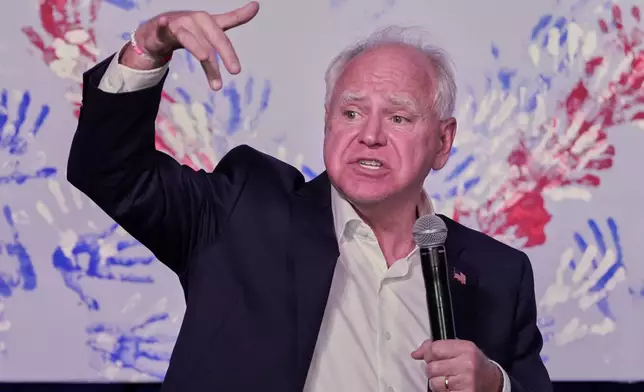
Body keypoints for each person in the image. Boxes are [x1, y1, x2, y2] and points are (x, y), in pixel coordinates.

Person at [67, 2, 552, 391]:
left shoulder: (497, 274)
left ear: (443, 142)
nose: (371, 135)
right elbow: (110, 172)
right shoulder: (242, 210)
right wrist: (147, 50)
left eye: (399, 118)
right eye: (351, 113)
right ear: (327, 122)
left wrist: (496, 386)